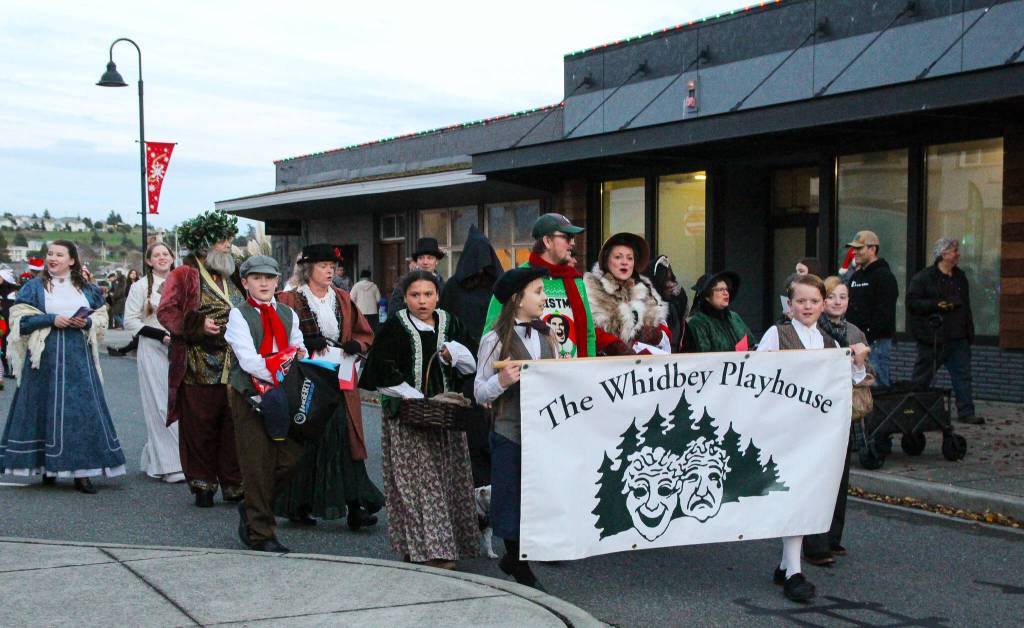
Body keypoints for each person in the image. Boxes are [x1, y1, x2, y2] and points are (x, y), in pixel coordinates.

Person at [757, 274, 870, 603]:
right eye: (801, 301)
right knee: (793, 497)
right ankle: (793, 571)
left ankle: (786, 566)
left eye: (814, 301)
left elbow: (848, 380)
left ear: (822, 305)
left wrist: (858, 362)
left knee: (804, 496)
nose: (808, 306)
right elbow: (755, 376)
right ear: (790, 306)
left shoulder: (829, 343)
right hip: (784, 430)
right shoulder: (776, 335)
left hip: (813, 434)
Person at [359, 270, 479, 568]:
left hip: (445, 419)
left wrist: (455, 357)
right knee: (418, 485)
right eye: (415, 295)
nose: (422, 301)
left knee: (448, 482)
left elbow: (472, 364)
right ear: (405, 298)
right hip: (407, 419)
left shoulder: (451, 324)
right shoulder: (394, 327)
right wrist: (412, 396)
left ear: (437, 296)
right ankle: (430, 550)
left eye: (428, 294)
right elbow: (378, 371)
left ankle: (447, 545)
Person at [0, 240, 125, 493]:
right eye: (49, 254)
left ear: (71, 260)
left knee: (81, 412)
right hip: (44, 359)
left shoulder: (87, 289)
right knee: (42, 410)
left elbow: (101, 316)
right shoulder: (34, 287)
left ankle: (82, 471)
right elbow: (19, 322)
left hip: (79, 360)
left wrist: (86, 323)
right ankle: (47, 466)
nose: (52, 258)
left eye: (59, 254)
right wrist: (52, 319)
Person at [275, 244, 383, 530]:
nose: (330, 271)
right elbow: (275, 335)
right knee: (308, 437)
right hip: (305, 380)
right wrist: (301, 343)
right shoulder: (289, 299)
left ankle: (356, 505)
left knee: (344, 437)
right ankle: (298, 504)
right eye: (324, 266)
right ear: (308, 269)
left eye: (332, 266)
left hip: (340, 378)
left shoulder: (344, 299)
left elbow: (365, 334)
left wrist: (355, 345)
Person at [157, 210, 244, 507]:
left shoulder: (233, 276)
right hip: (198, 363)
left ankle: (234, 483)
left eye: (230, 240)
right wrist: (197, 325)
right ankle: (203, 483)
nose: (228, 246)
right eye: (223, 240)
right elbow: (166, 311)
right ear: (205, 243)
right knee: (200, 426)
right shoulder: (183, 274)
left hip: (234, 363)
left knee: (233, 425)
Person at [474, 267, 555, 590]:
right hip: (510, 431)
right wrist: (501, 381)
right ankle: (518, 564)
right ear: (517, 299)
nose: (544, 297)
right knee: (510, 497)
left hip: (544, 431)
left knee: (538, 497)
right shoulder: (494, 339)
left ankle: (515, 559)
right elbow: (479, 391)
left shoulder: (548, 335)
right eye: (537, 291)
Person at [225, 255, 307, 552]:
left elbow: (299, 348)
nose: (264, 283)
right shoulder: (239, 315)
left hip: (282, 394)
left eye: (269, 278)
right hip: (250, 394)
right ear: (245, 283)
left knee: (290, 457)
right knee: (257, 464)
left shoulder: (288, 313)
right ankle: (261, 533)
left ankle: (251, 507)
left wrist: (291, 360)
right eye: (256, 278)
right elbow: (249, 361)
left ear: (276, 281)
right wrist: (283, 365)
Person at [803, 276, 875, 565]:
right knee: (817, 478)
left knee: (840, 476)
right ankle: (814, 543)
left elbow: (865, 371)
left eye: (842, 297)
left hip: (844, 409)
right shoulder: (812, 330)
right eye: (831, 297)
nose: (836, 302)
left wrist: (858, 363)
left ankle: (833, 537)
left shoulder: (855, 331)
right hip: (816, 411)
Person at [439, 224, 504, 488]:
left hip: (497, 364)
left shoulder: (499, 287)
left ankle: (491, 487)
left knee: (496, 430)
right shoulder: (454, 287)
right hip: (464, 368)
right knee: (471, 430)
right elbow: (446, 321)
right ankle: (472, 489)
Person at [484, 213, 596, 358]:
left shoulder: (576, 280)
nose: (573, 243)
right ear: (547, 241)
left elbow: (589, 334)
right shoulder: (517, 279)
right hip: (528, 375)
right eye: (567, 237)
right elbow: (492, 331)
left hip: (574, 375)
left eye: (573, 238)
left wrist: (589, 369)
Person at [124, 242, 183, 483]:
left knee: (182, 404)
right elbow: (130, 321)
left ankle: (173, 458)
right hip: (153, 349)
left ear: (172, 257)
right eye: (156, 255)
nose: (161, 258)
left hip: (181, 349)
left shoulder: (183, 283)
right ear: (149, 261)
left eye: (165, 254)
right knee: (161, 404)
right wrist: (160, 335)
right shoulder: (140, 287)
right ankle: (169, 464)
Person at [907, 237, 981, 424]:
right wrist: (936, 305)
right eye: (954, 250)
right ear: (943, 253)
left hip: (958, 337)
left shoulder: (960, 277)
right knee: (922, 377)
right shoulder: (924, 278)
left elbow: (966, 306)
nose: (958, 254)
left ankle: (966, 411)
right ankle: (911, 409)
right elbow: (912, 304)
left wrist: (968, 331)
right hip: (933, 338)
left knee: (963, 376)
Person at [584, 232, 670, 355]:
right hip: (606, 368)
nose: (625, 262)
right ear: (606, 260)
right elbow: (587, 330)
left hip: (643, 369)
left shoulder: (646, 290)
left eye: (630, 258)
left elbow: (665, 331)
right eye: (618, 257)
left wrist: (656, 334)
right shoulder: (591, 288)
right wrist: (612, 344)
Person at [845, 230, 899, 387]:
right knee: (857, 385)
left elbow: (885, 312)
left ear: (872, 249)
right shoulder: (856, 276)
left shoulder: (884, 276)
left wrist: (868, 336)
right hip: (855, 342)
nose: (854, 252)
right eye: (853, 248)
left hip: (876, 343)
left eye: (859, 248)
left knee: (876, 385)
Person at [683, 270, 753, 353]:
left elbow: (751, 343)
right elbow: (703, 356)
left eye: (727, 289)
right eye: (721, 289)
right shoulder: (698, 323)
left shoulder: (734, 317)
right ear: (707, 296)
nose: (726, 293)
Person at [388, 238, 447, 316]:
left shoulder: (445, 286)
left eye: (430, 258)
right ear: (417, 261)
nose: (425, 262)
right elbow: (394, 312)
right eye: (421, 258)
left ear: (436, 261)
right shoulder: (404, 284)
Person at [645, 255, 688, 352]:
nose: (671, 285)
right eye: (665, 280)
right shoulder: (645, 309)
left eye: (671, 279)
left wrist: (681, 296)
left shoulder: (673, 307)